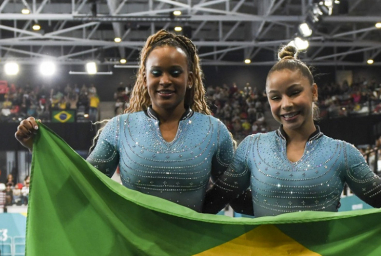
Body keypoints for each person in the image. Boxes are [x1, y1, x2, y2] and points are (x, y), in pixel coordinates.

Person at [203, 45, 381, 217]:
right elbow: (221, 200)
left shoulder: (342, 153)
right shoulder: (252, 147)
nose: (285, 104)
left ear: (313, 92)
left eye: (294, 93)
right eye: (275, 97)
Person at [15, 30, 237, 213]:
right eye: (156, 73)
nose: (165, 81)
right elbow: (82, 185)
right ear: (145, 78)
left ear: (189, 79)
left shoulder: (214, 131)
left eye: (175, 72)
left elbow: (235, 193)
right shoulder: (120, 128)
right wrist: (39, 149)